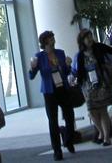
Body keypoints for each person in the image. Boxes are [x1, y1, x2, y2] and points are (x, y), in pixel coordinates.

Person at [28, 30, 77, 160]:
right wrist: (32, 68)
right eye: (51, 38)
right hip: (49, 91)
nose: (53, 40)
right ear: (45, 41)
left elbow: (66, 72)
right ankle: (57, 150)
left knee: (70, 116)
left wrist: (67, 65)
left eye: (53, 37)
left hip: (62, 88)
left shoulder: (60, 53)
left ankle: (68, 138)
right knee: (53, 121)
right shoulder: (39, 56)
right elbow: (31, 76)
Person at [72, 29, 112, 146]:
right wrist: (76, 82)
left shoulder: (98, 47)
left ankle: (106, 137)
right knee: (92, 112)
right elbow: (78, 72)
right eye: (87, 38)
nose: (89, 39)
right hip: (88, 86)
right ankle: (101, 132)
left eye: (90, 36)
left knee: (103, 111)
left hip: (101, 83)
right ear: (82, 41)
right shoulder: (79, 55)